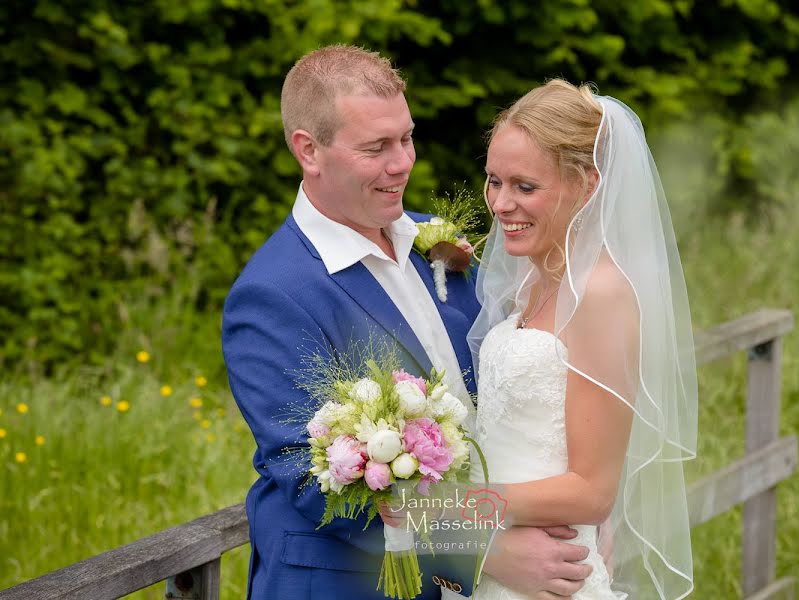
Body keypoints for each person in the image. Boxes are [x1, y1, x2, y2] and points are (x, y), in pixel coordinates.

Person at [222, 46, 592, 600]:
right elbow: (314, 484)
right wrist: (483, 549)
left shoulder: (435, 241)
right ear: (309, 151)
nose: (403, 163)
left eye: (406, 137)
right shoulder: (272, 295)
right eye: (376, 148)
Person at [467, 79, 699, 599]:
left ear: (587, 184)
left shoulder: (601, 292)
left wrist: (450, 510)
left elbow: (592, 490)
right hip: (496, 564)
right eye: (494, 181)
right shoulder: (530, 278)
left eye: (525, 187)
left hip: (554, 573)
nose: (501, 203)